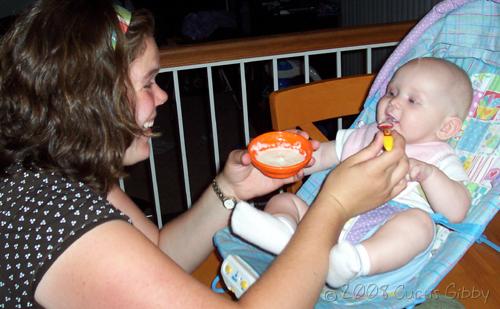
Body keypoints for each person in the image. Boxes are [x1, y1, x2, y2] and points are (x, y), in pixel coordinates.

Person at [0, 0, 410, 307]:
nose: (162, 95)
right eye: (147, 83)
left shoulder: (62, 170)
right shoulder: (58, 216)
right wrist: (334, 206)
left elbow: (157, 254)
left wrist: (229, 189)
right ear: (89, 100)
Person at [231, 57, 472, 288]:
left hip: (384, 240)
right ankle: (282, 233)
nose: (394, 102)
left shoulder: (439, 157)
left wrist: (429, 175)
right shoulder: (365, 134)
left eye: (412, 100)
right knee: (286, 200)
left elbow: (457, 211)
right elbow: (321, 157)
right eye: (391, 92)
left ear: (446, 127)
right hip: (325, 224)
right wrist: (289, 155)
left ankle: (355, 262)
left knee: (420, 224)